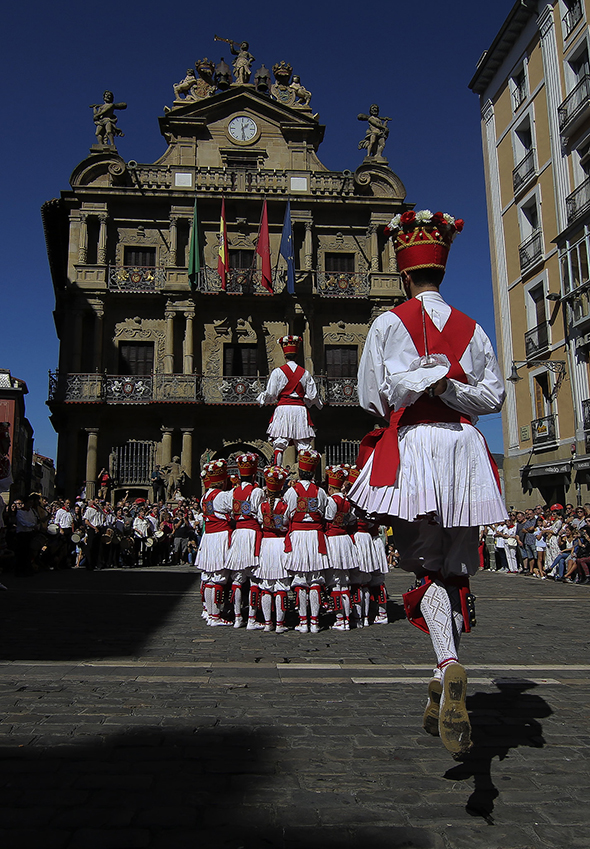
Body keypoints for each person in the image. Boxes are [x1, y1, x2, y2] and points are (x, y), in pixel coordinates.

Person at [349, 208, 507, 756]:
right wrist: (450, 388)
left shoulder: (389, 323)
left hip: (416, 449)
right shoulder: (473, 327)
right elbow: (491, 397)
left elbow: (372, 397)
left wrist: (421, 386)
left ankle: (447, 663)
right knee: (453, 566)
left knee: (425, 567)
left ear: (402, 271)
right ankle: (443, 678)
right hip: (464, 450)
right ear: (442, 268)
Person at [257, 335, 323, 466]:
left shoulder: (277, 372)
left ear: (284, 355)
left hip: (283, 409)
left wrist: (264, 398)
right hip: (300, 410)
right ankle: (306, 477)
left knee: (279, 445)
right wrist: (312, 402)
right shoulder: (305, 373)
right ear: (297, 356)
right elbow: (312, 395)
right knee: (304, 446)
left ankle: (276, 472)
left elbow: (271, 393)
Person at [284, 449, 329, 634]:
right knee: (316, 579)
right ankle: (315, 621)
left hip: (299, 536)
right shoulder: (320, 492)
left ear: (300, 472)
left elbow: (286, 516)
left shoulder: (292, 492)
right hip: (316, 536)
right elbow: (327, 514)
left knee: (300, 579)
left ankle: (303, 621)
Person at [225, 453, 264, 630]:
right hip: (251, 533)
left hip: (238, 534)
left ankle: (237, 617)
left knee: (238, 578)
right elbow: (261, 516)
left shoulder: (233, 491)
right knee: (254, 577)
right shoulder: (257, 492)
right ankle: (252, 618)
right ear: (255, 474)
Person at [195, 461, 233, 626]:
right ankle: (216, 616)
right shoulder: (223, 496)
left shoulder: (205, 496)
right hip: (220, 537)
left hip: (208, 537)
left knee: (209, 577)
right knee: (218, 577)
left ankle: (210, 613)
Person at [256, 465, 291, 633]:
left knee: (266, 585)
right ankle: (280, 623)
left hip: (266, 544)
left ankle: (267, 622)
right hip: (280, 544)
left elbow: (259, 521)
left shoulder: (262, 505)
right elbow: (285, 524)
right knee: (281, 585)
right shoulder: (284, 506)